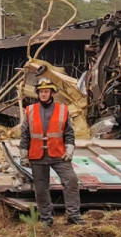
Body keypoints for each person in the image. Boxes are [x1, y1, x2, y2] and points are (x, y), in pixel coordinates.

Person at [19, 77, 84, 226]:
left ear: (52, 93)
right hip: (37, 156)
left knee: (71, 181)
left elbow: (69, 133)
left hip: (59, 154)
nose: (43, 94)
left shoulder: (63, 110)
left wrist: (69, 151)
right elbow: (25, 135)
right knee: (41, 189)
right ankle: (46, 219)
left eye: (46, 91)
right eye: (41, 92)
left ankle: (73, 216)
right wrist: (24, 156)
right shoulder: (30, 110)